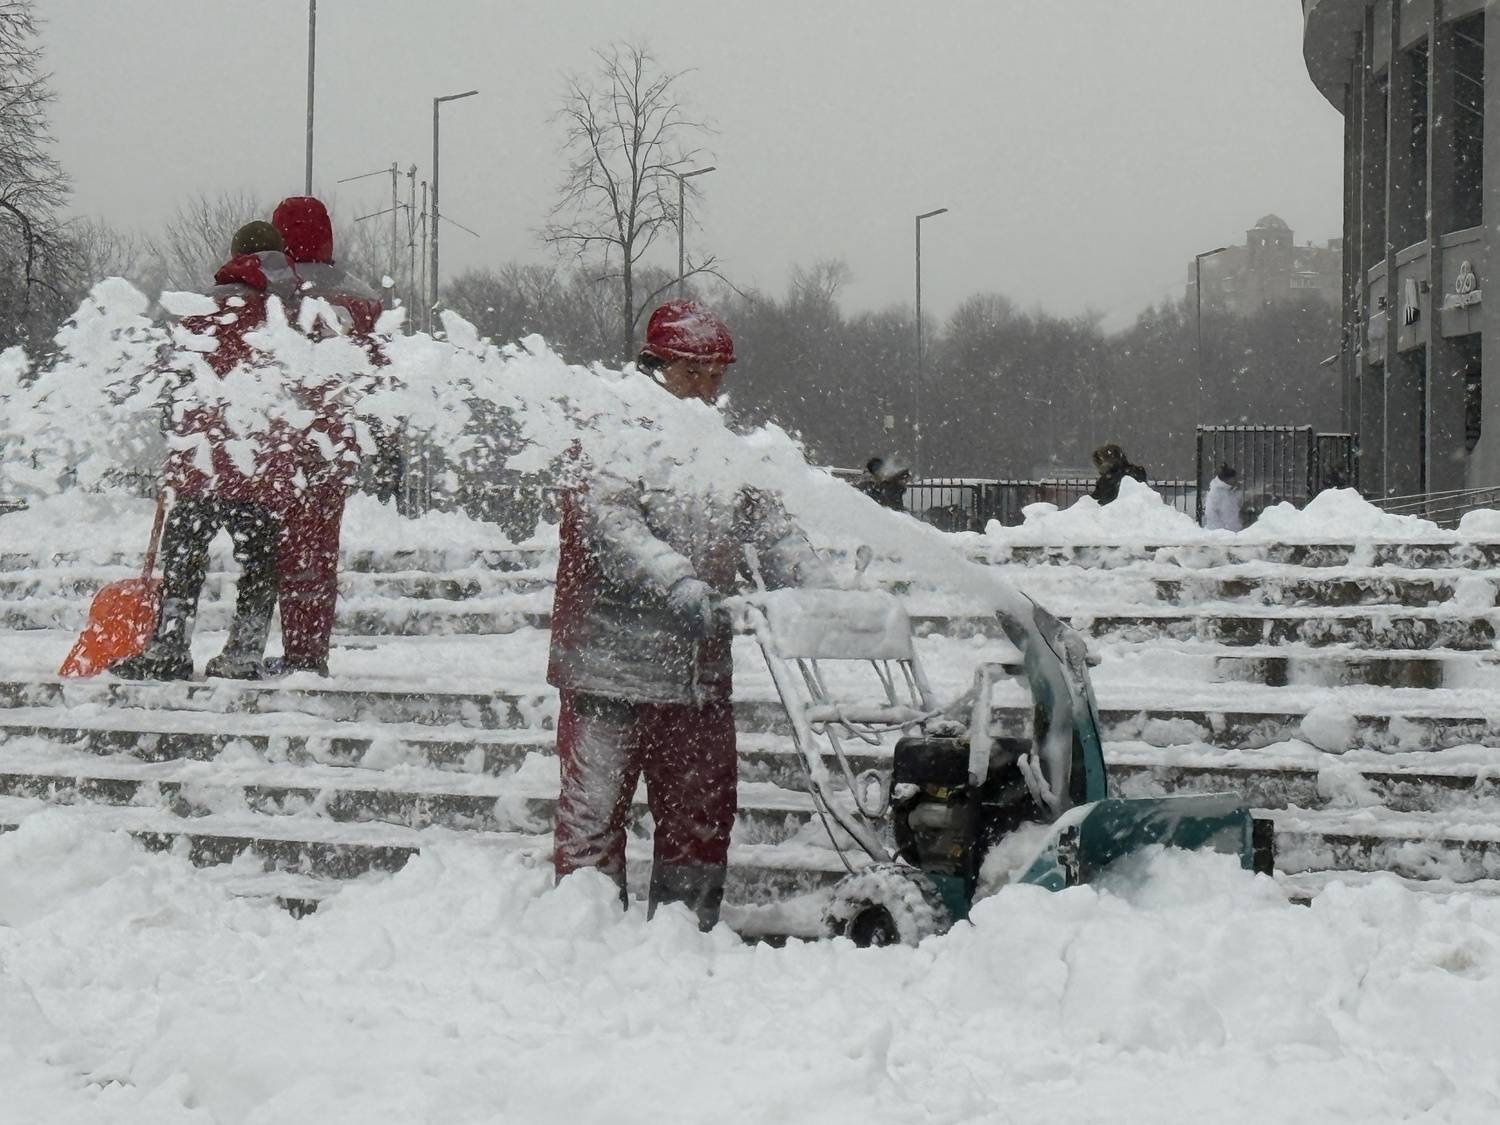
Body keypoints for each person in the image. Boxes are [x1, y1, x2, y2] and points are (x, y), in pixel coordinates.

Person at [548, 299, 833, 930]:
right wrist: (677, 581)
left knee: (700, 813)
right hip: (607, 669)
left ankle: (686, 931)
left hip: (695, 673)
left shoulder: (721, 451)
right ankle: (585, 934)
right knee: (593, 810)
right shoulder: (608, 437)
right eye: (691, 373)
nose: (705, 388)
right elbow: (608, 524)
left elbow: (772, 530)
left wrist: (821, 585)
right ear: (654, 367)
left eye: (715, 375)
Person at [113, 222, 300, 681]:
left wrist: (176, 434)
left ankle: (168, 649)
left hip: (201, 464)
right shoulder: (285, 312)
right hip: (257, 466)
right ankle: (243, 653)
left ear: (233, 255)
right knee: (259, 564)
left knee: (183, 559)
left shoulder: (200, 309)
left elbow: (174, 380)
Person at [265, 196, 386, 677]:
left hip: (281, 440)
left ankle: (281, 648)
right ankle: (311, 648)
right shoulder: (360, 297)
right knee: (320, 546)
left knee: (280, 547)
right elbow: (378, 368)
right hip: (336, 441)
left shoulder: (273, 292)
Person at [1203, 463, 1243, 531]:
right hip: (1222, 533)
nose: (1236, 481)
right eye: (1234, 478)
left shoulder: (1224, 491)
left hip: (1220, 531)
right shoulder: (1220, 494)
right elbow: (1228, 517)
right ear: (1228, 479)